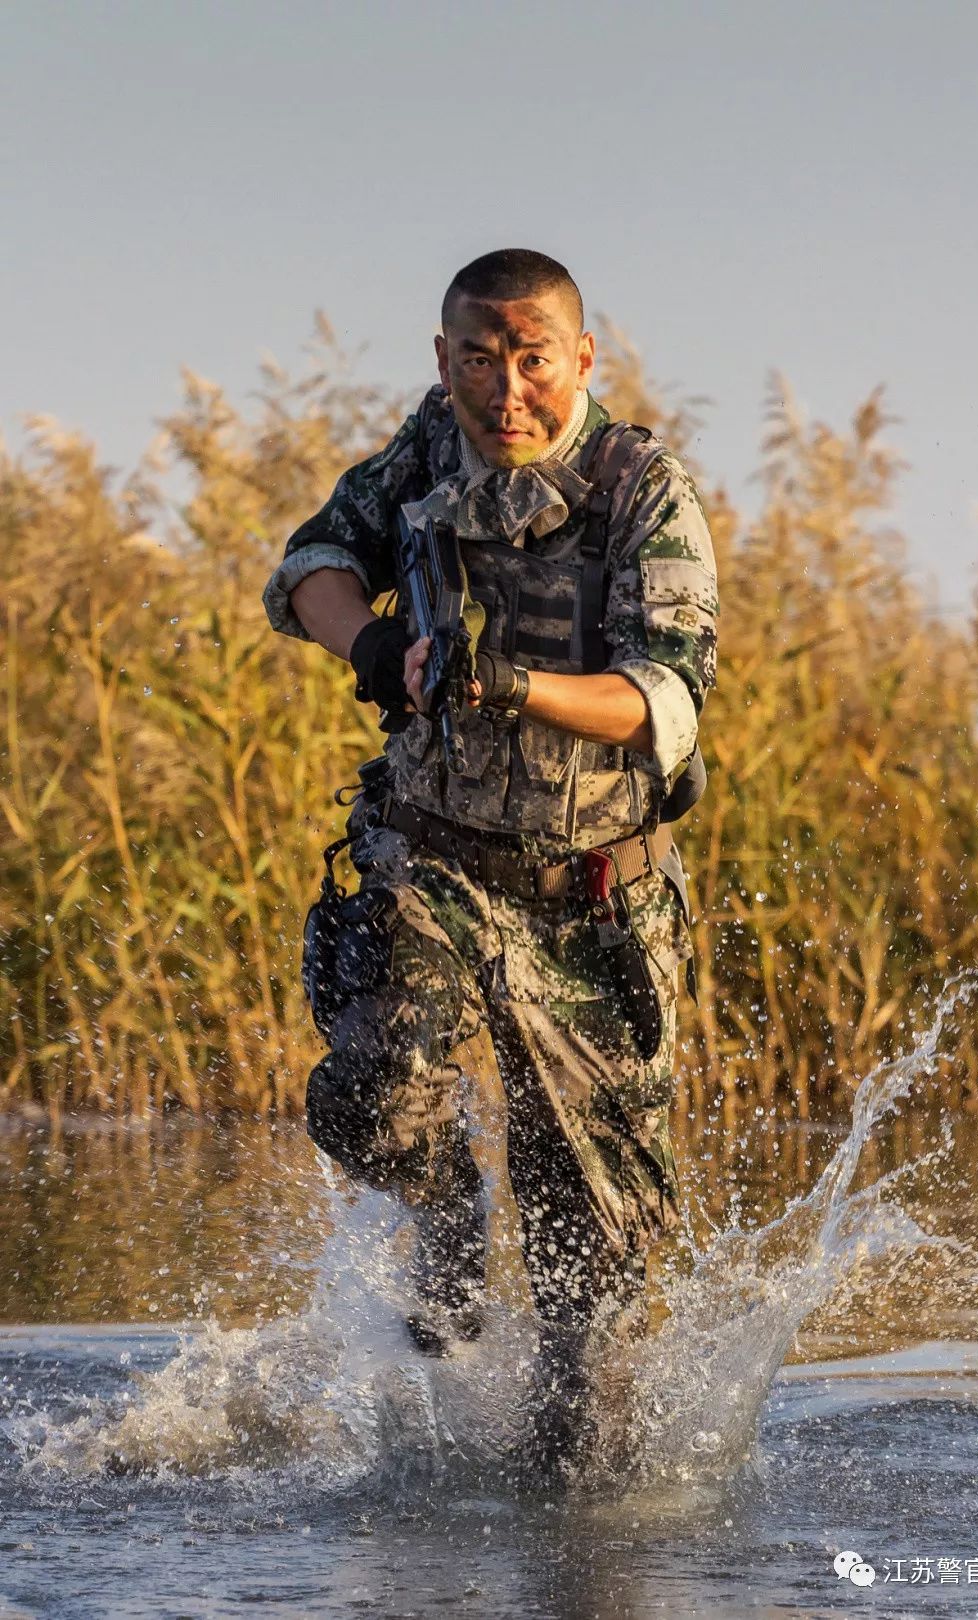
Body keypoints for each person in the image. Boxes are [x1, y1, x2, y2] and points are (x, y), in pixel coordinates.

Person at [263, 248, 718, 1480]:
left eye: (531, 361)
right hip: (435, 861)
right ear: (444, 359)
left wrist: (512, 685)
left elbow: (664, 700)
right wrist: (373, 651)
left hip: (593, 901)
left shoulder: (642, 488)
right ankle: (447, 1210)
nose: (504, 391)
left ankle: (572, 1516)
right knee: (371, 1096)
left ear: (580, 357)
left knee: (589, 1316)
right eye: (478, 359)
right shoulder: (425, 448)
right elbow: (308, 567)